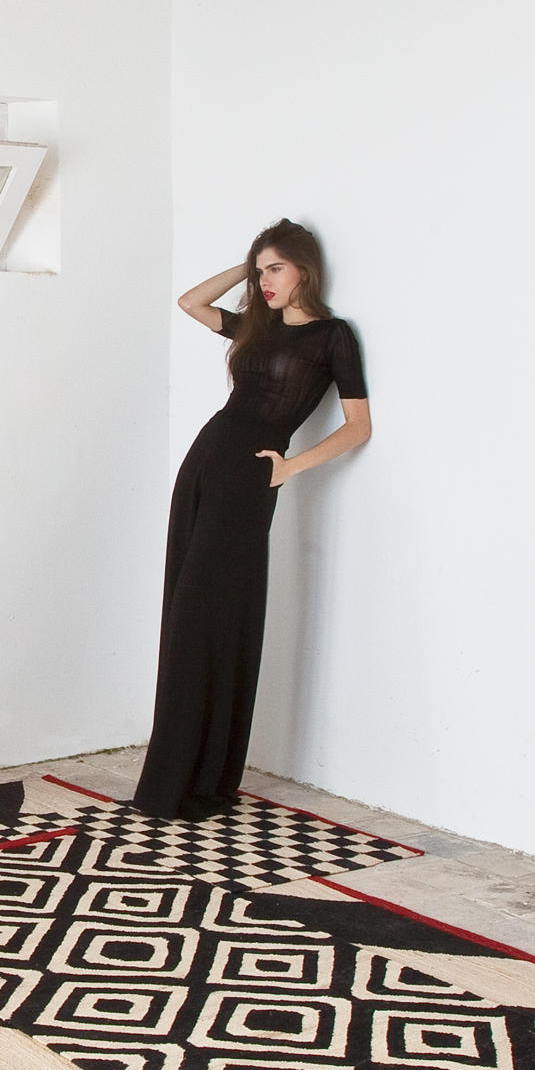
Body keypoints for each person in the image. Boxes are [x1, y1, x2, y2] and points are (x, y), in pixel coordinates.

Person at [133, 219, 372, 820]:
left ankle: (199, 779)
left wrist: (291, 468)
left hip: (250, 474)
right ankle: (176, 776)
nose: (265, 281)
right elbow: (191, 302)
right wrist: (248, 265)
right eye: (260, 270)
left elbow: (359, 426)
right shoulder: (256, 328)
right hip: (206, 460)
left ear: (305, 270)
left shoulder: (333, 336)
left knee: (213, 614)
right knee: (184, 607)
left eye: (276, 269)